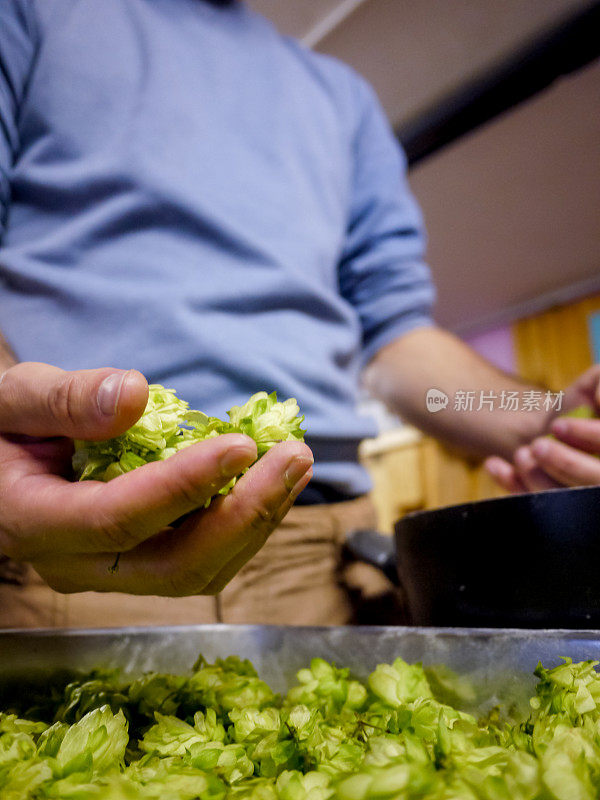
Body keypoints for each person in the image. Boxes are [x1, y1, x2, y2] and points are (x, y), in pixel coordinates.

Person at [0, 0, 598, 628]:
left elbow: (396, 342)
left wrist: (555, 424)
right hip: (69, 552)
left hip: (327, 563)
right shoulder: (31, 13)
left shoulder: (341, 98)